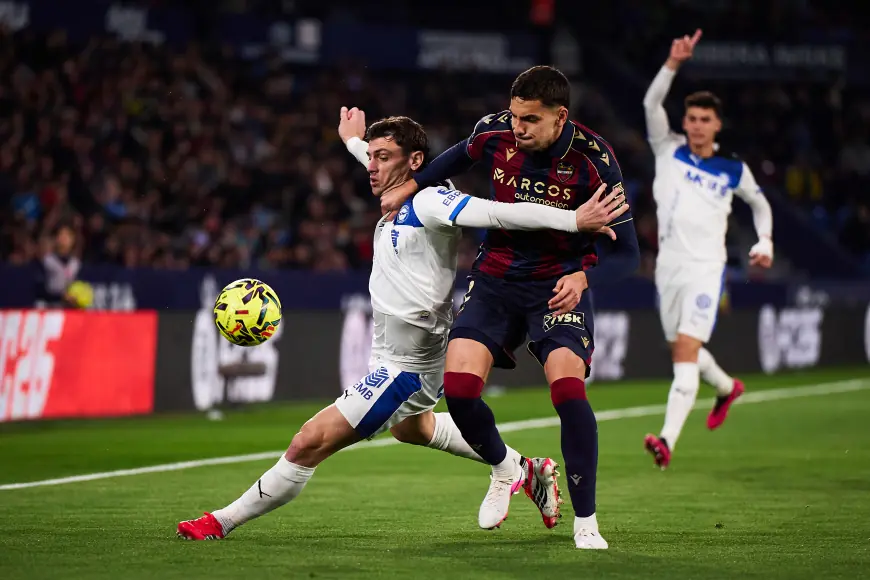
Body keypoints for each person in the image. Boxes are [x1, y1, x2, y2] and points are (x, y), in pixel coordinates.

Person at [176, 109, 630, 540]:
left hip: (407, 367)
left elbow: (499, 213)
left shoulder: (432, 200)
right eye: (371, 158)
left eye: (383, 157)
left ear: (415, 162)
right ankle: (526, 470)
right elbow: (375, 160)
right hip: (389, 352)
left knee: (309, 442)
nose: (372, 167)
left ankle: (221, 521)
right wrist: (353, 142)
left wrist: (573, 220)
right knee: (412, 428)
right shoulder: (394, 182)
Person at [379, 66, 641, 549]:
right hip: (496, 279)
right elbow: (450, 160)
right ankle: (506, 469)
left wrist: (583, 277)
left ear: (560, 117)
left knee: (568, 392)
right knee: (459, 391)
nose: (518, 127)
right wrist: (408, 187)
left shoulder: (595, 161)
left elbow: (628, 254)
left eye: (531, 119)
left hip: (557, 286)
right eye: (515, 115)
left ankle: (586, 522)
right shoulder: (494, 131)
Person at [640, 30, 774, 469]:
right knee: (680, 347)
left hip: (705, 268)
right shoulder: (667, 149)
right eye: (692, 118)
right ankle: (726, 387)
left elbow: (760, 204)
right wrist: (672, 63)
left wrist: (765, 240)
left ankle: (666, 440)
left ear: (717, 125)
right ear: (684, 121)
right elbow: (650, 105)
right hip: (668, 267)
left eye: (705, 119)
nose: (697, 125)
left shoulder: (732, 168)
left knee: (684, 352)